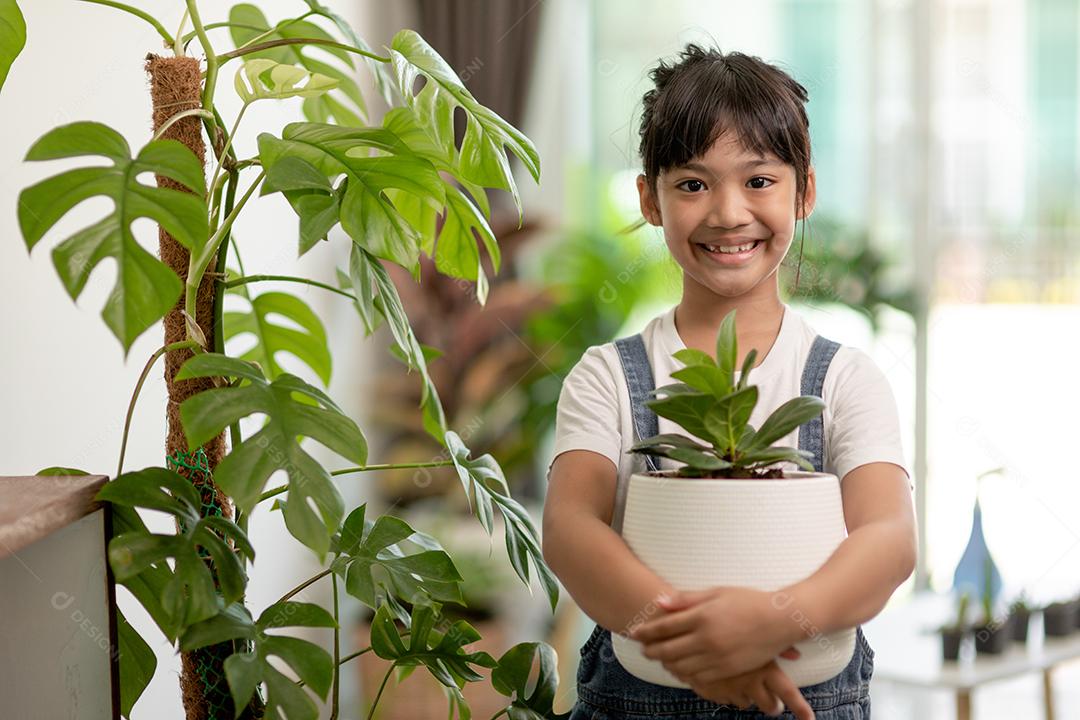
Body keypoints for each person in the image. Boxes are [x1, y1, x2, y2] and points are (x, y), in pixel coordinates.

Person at [542, 43, 917, 720]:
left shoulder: (843, 379)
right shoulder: (609, 376)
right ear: (649, 200)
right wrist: (695, 646)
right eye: (692, 184)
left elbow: (888, 538)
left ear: (804, 191)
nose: (727, 212)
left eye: (759, 181)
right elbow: (571, 527)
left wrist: (775, 621)